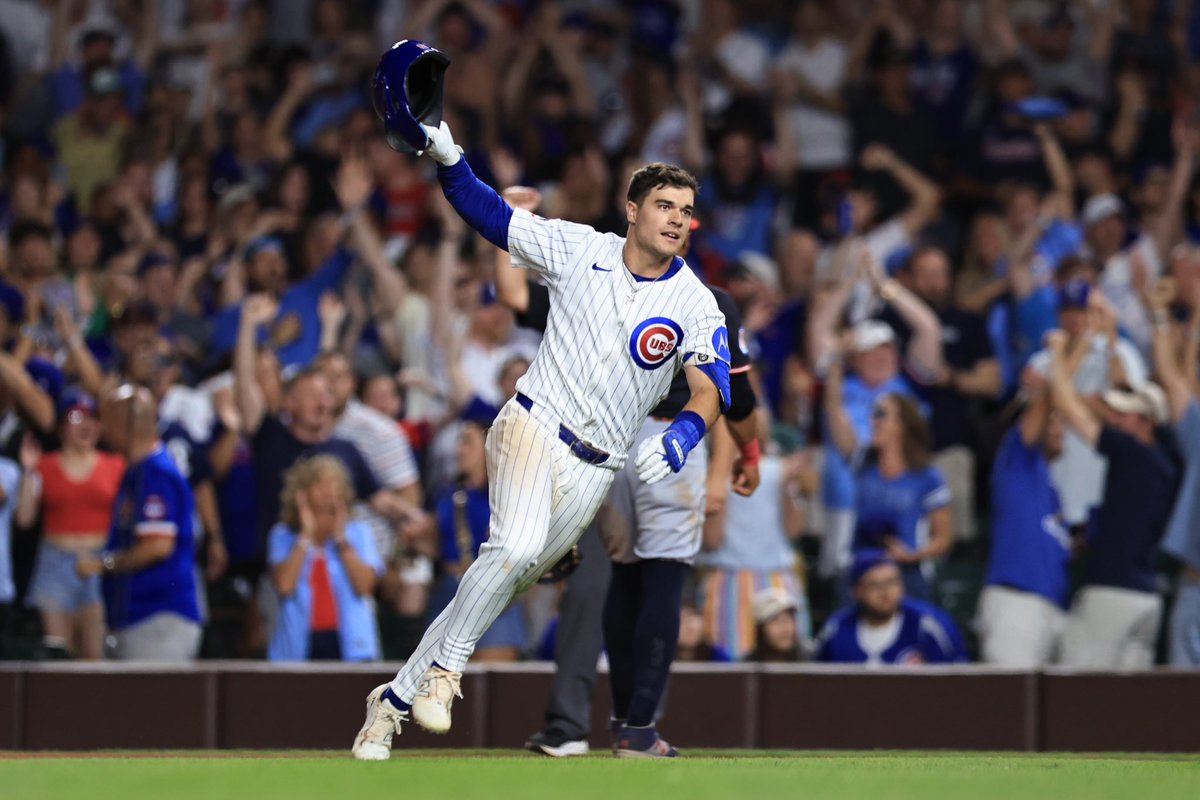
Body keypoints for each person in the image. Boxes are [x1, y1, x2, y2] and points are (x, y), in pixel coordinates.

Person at [352, 113, 729, 760]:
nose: (675, 218)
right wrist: (449, 156)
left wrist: (687, 433)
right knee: (518, 546)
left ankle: (389, 703)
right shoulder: (580, 248)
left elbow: (709, 388)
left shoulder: (696, 303)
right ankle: (446, 674)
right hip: (533, 424)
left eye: (686, 210)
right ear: (632, 210)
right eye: (663, 204)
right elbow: (487, 214)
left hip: (597, 469)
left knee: (502, 575)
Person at [492, 186, 759, 758]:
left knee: (609, 581)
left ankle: (585, 724)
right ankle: (636, 729)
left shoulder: (593, 285)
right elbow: (732, 399)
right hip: (666, 442)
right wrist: (749, 456)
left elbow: (513, 294)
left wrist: (513, 219)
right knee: (661, 579)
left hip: (599, 448)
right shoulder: (706, 301)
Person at [1045, 330, 1179, 669]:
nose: (1114, 419)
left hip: (1113, 591)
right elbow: (1125, 393)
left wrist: (1058, 354)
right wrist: (1112, 340)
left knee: (1076, 689)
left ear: (1145, 422)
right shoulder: (1166, 459)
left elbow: (1067, 407)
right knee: (1128, 707)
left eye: (1124, 414)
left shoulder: (1133, 453)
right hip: (1146, 596)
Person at [75, 386, 201, 661]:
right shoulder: (139, 469)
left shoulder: (156, 473)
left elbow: (158, 546)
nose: (103, 430)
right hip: (140, 619)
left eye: (106, 421)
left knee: (153, 705)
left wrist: (103, 563)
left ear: (123, 425)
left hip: (158, 620)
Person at [824, 348, 953, 601]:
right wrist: (836, 364)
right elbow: (834, 413)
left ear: (902, 424)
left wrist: (911, 555)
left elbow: (944, 539)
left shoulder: (927, 476)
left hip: (907, 577)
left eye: (881, 414)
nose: (873, 420)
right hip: (861, 573)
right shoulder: (864, 460)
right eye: (873, 413)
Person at [16, 390, 124, 659]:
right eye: (78, 418)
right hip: (56, 562)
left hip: (100, 563)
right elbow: (24, 519)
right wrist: (28, 472)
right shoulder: (45, 466)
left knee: (94, 654)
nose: (87, 425)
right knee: (58, 653)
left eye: (93, 418)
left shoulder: (116, 465)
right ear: (62, 427)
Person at [976, 373, 1070, 668]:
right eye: (1052, 422)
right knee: (1011, 706)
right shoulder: (1015, 462)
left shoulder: (1050, 488)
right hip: (1016, 604)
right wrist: (1049, 382)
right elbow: (1034, 419)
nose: (1060, 430)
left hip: (1050, 607)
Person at [427, 410, 527, 663]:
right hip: (451, 590)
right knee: (439, 683)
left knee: (494, 680)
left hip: (492, 592)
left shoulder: (506, 496)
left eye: (467, 443)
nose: (460, 450)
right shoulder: (448, 493)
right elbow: (436, 543)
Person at [268, 456, 384, 662]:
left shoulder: (358, 533)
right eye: (321, 484)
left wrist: (341, 540)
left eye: (335, 484)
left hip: (351, 645)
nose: (329, 491)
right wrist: (305, 537)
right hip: (298, 648)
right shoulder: (283, 535)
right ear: (302, 492)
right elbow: (285, 586)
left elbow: (365, 586)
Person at [816, 550, 966, 665]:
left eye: (892, 582)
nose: (885, 592)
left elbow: (959, 680)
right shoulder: (836, 630)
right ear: (856, 592)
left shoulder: (929, 626)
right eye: (875, 585)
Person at [745, 587, 805, 663]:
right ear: (760, 628)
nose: (785, 628)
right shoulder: (746, 666)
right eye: (775, 620)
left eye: (789, 619)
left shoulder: (811, 659)